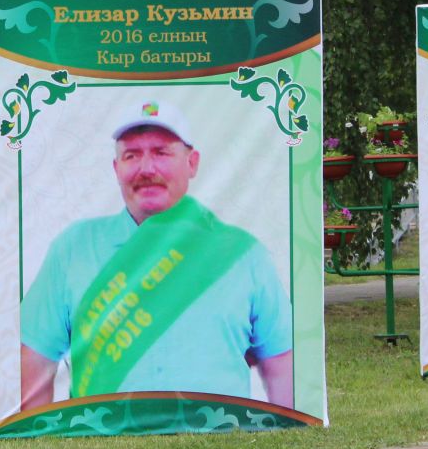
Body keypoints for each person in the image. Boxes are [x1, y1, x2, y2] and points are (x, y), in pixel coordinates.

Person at [18, 99, 293, 411]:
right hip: (100, 445)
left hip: (221, 444)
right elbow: (35, 360)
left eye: (161, 152)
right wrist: (37, 442)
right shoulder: (73, 249)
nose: (146, 169)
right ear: (116, 168)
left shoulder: (243, 254)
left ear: (192, 163)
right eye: (131, 155)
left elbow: (282, 365)